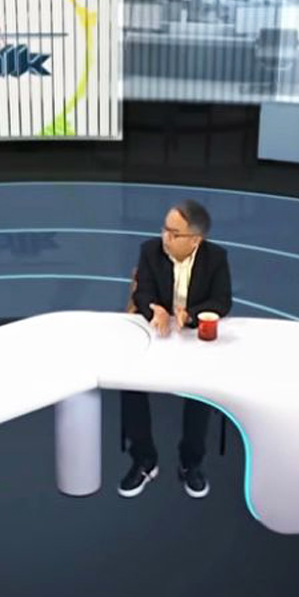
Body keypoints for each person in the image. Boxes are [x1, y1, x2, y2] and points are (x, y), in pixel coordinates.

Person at [120, 199, 233, 500]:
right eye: (164, 229)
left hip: (192, 337)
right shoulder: (150, 251)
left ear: (195, 240)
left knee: (200, 390)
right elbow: (142, 291)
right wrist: (153, 308)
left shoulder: (216, 258)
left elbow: (222, 301)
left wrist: (190, 316)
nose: (165, 237)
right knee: (129, 383)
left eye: (174, 233)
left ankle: (190, 463)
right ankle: (144, 460)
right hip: (155, 335)